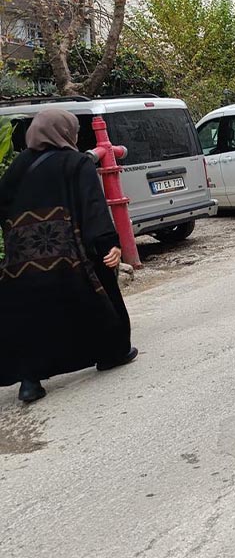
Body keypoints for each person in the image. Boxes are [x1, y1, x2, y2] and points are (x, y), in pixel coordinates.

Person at [0, 110, 138, 404]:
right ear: (65, 133)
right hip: (69, 254)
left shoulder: (17, 168)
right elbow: (93, 208)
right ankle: (111, 353)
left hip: (22, 260)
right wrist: (108, 244)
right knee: (98, 293)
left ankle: (30, 381)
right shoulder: (77, 164)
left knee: (30, 315)